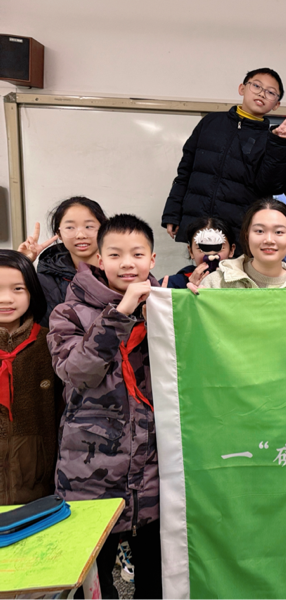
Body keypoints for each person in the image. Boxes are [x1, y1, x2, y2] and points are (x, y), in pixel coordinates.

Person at [48, 214, 163, 600]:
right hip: (89, 477)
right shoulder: (70, 313)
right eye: (115, 254)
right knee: (94, 585)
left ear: (152, 259)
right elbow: (77, 372)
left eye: (137, 254)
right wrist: (120, 314)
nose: (127, 263)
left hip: (152, 475)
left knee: (156, 580)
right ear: (99, 259)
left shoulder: (164, 308)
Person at [161, 67, 286, 244]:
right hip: (198, 221)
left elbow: (270, 187)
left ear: (276, 105)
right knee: (201, 262)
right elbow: (185, 171)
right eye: (256, 86)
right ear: (242, 88)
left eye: (271, 92)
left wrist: (278, 146)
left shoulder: (272, 139)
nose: (262, 94)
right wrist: (173, 212)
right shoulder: (210, 122)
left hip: (238, 227)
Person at [0, 250, 57, 505]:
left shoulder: (50, 343)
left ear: (32, 292)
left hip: (38, 491)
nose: (5, 299)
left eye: (18, 289)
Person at [17, 196, 108, 326]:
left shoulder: (121, 271)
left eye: (89, 226)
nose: (81, 235)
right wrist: (21, 263)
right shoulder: (43, 279)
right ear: (59, 234)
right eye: (70, 227)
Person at [198, 198, 286, 292]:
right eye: (260, 231)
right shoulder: (216, 283)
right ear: (247, 235)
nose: (269, 240)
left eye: (279, 232)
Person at [163, 217, 236, 289]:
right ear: (191, 251)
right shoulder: (171, 284)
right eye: (203, 248)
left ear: (231, 250)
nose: (211, 254)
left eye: (218, 247)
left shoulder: (240, 282)